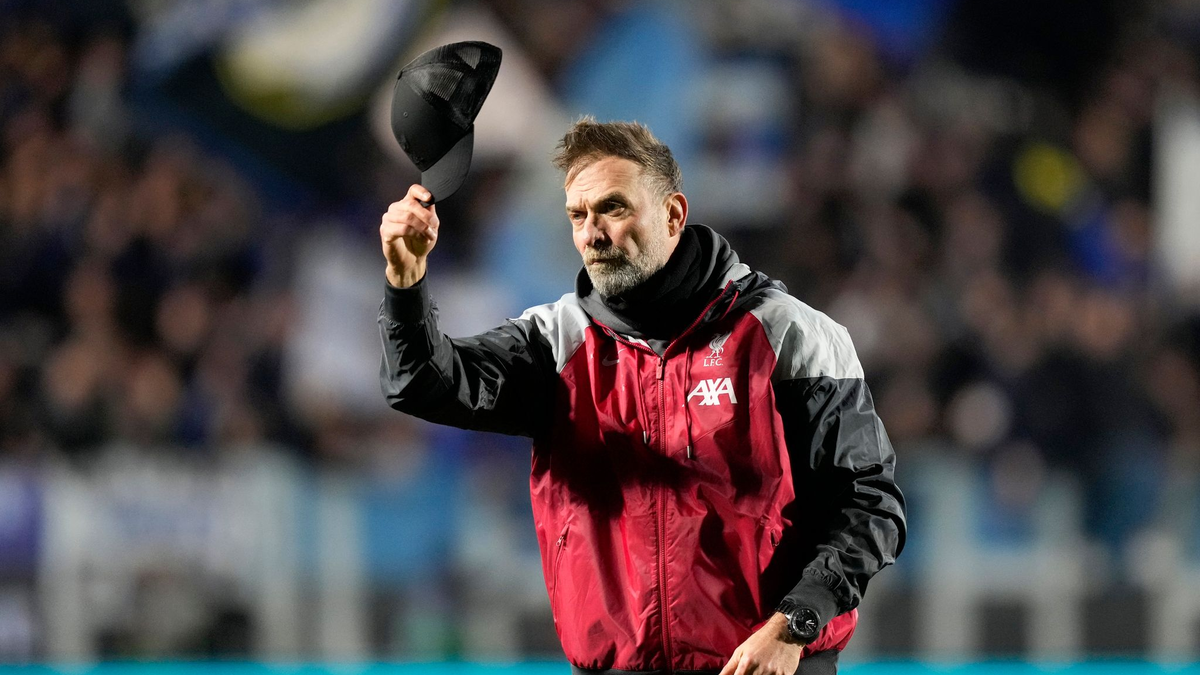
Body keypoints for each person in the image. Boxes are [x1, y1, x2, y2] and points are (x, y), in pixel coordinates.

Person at [377, 118, 906, 675]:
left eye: (613, 208)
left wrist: (793, 625)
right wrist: (405, 285)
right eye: (577, 216)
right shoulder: (555, 344)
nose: (592, 234)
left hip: (770, 665)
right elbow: (422, 384)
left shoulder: (791, 335)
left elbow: (869, 504)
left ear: (673, 214)